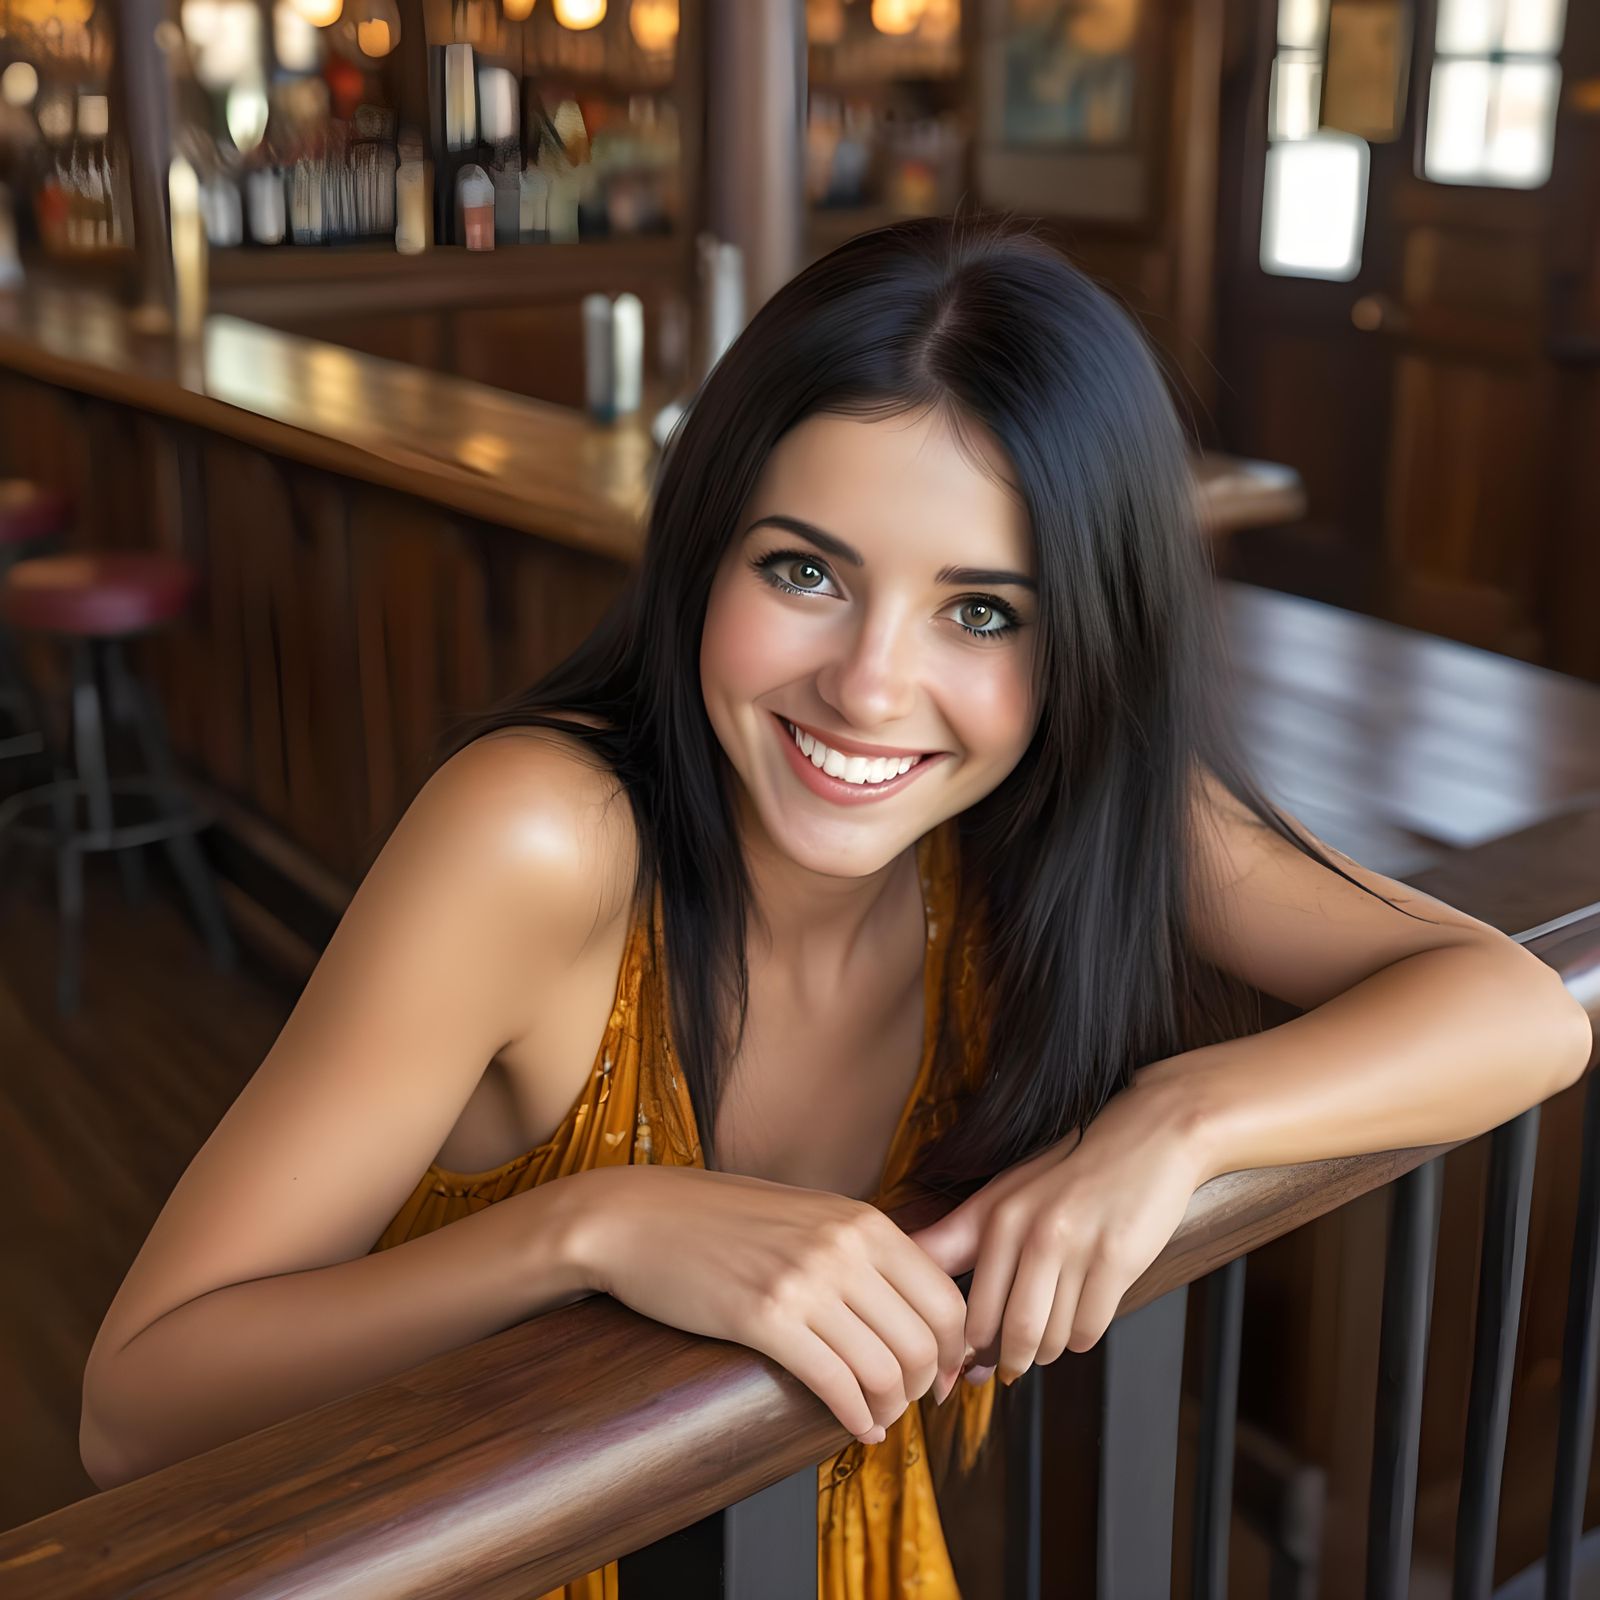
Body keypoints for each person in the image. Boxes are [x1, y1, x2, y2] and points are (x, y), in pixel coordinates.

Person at [79, 215, 1593, 1598]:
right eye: (805, 571)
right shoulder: (540, 837)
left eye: (983, 611)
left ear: (1088, 644)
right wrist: (587, 1229)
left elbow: (1522, 1010)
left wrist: (1179, 1124)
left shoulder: (1054, 806)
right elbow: (137, 1411)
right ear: (703, 557)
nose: (872, 687)